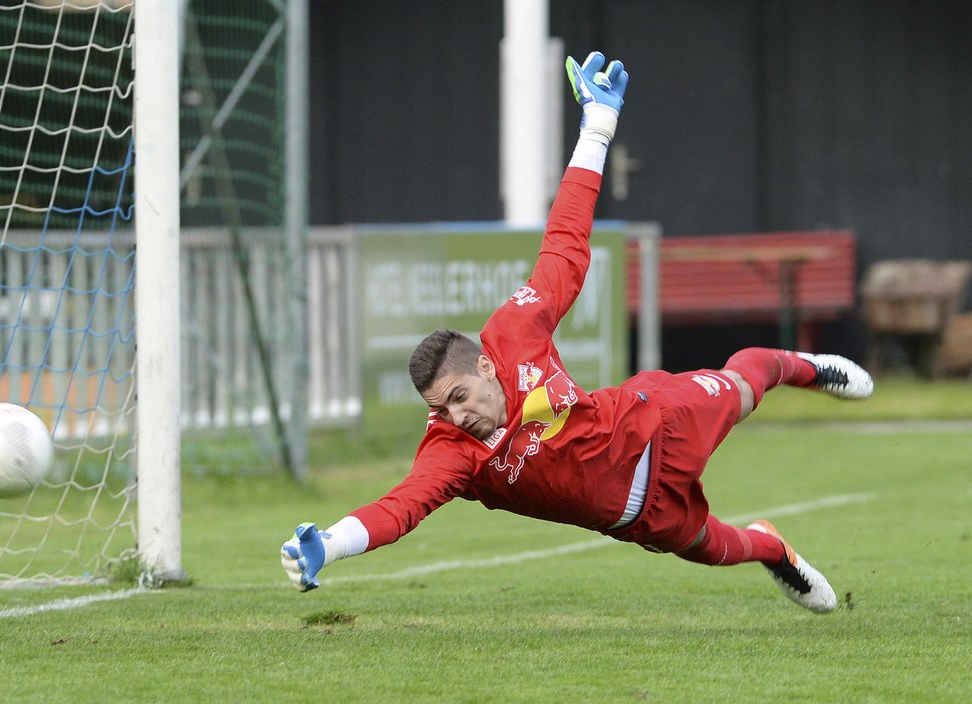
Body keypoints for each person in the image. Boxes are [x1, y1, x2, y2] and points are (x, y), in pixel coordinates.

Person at [281, 51, 873, 613]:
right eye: (441, 409)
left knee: (743, 389)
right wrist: (329, 545)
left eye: (458, 397)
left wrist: (597, 127)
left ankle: (804, 367)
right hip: (635, 516)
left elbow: (564, 247)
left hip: (652, 424)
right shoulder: (451, 452)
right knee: (718, 549)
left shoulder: (511, 333)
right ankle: (774, 548)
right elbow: (399, 509)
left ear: (484, 366)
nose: (456, 417)